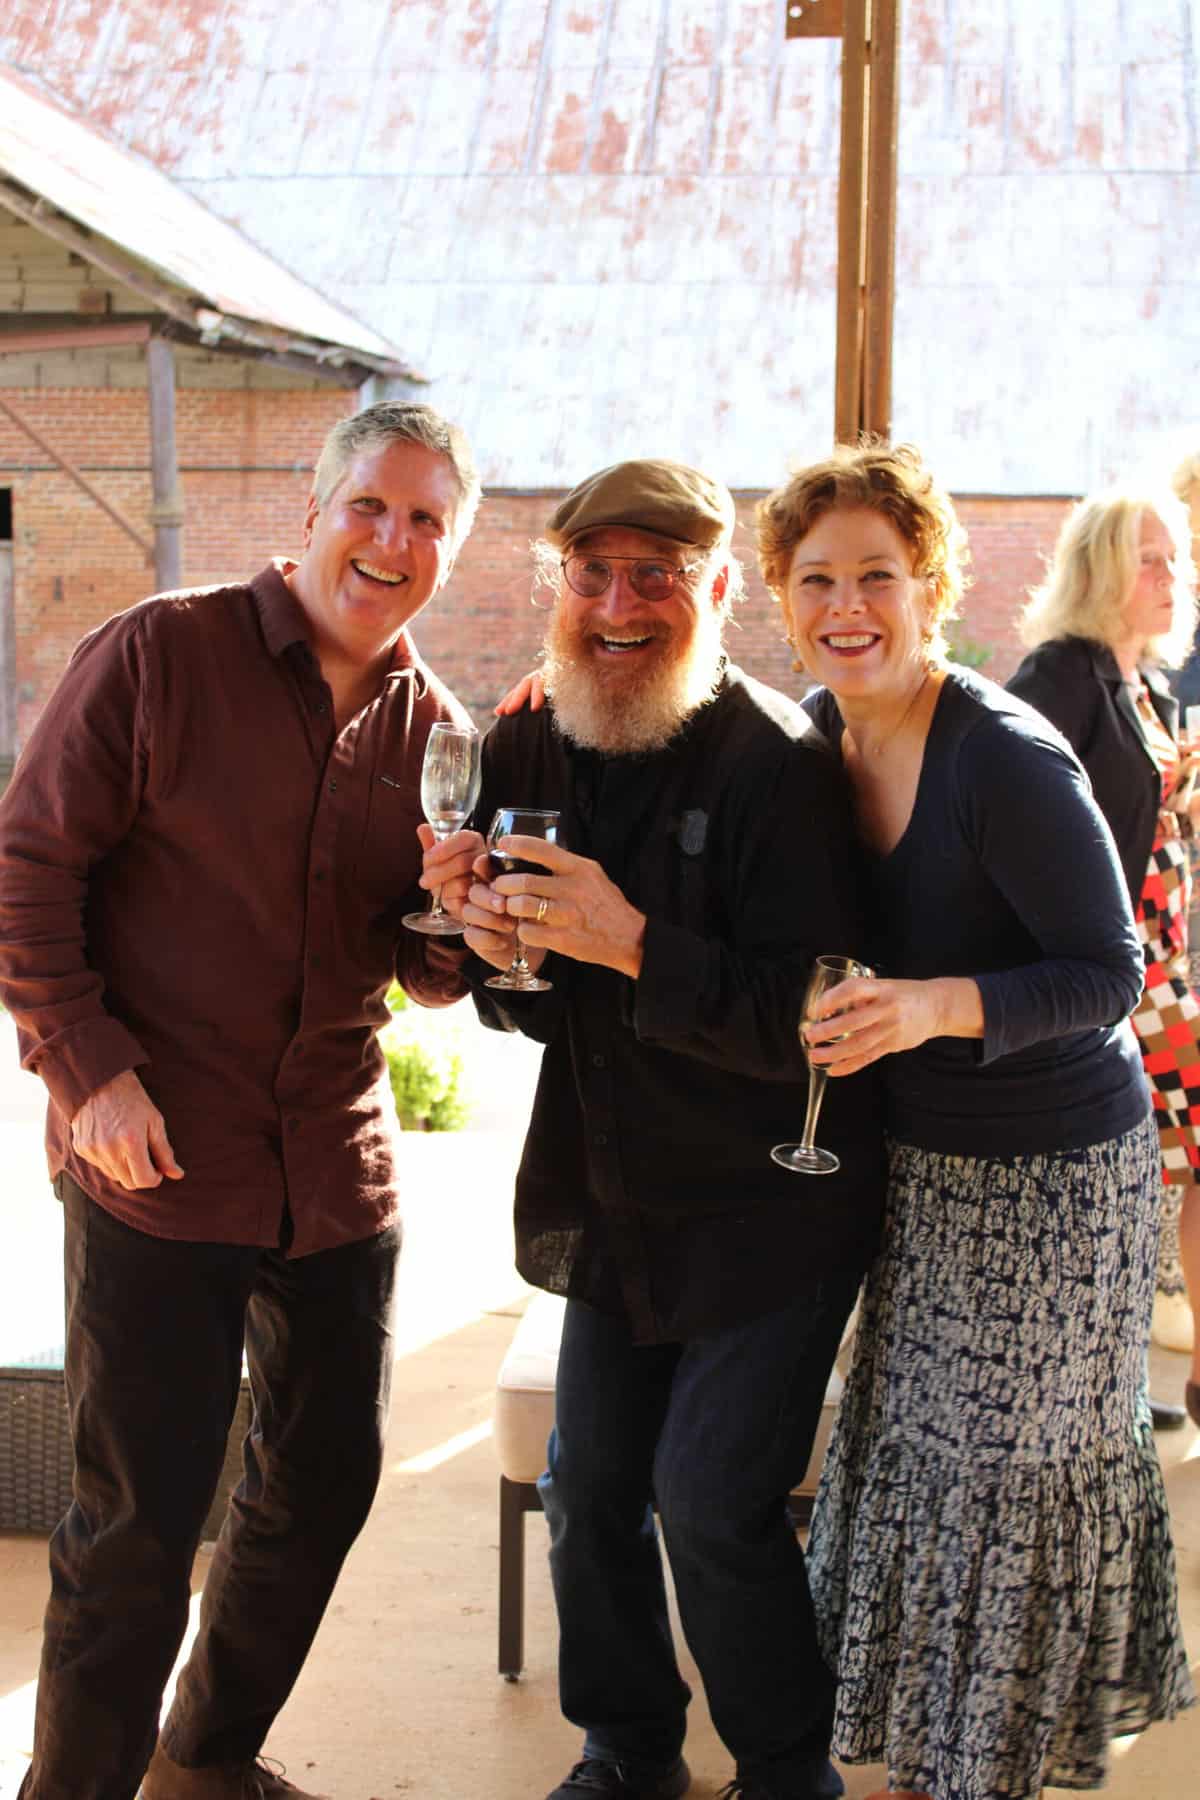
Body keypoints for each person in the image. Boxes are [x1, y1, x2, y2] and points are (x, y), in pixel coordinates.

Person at [0, 401, 480, 1800]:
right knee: (139, 1525)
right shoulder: (162, 653)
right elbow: (29, 867)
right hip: (155, 1154)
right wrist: (87, 1072)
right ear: (315, 505)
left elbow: (417, 962)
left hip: (334, 1164)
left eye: (427, 521)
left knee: (322, 1485)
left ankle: (203, 1762)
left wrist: (457, 927)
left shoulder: (434, 729)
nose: (393, 541)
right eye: (371, 507)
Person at [423, 458, 887, 1800]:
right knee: (585, 1490)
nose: (620, 606)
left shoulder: (775, 766)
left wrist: (631, 947)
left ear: (719, 589)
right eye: (594, 574)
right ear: (557, 582)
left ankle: (786, 1769)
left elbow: (819, 1019)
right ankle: (627, 1749)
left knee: (708, 1502)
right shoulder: (522, 743)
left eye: (658, 576)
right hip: (617, 1193)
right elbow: (526, 1011)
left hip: (776, 1202)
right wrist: (484, 941)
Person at [752, 442, 1193, 1800]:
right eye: (816, 577)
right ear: (780, 594)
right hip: (925, 1170)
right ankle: (918, 1765)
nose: (847, 604)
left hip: (1060, 1182)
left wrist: (935, 1006)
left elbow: (1110, 970)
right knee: (918, 1467)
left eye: (877, 575)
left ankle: (980, 1770)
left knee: (1003, 1488)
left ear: (932, 583)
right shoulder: (819, 735)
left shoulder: (999, 753)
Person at [1008, 483, 1200, 1428]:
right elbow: (1013, 812)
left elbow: (1145, 804)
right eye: (1150, 559)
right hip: (1117, 974)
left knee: (1145, 1173)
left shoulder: (1148, 678)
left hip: (1167, 956)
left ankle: (1119, 1382)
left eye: (1176, 557)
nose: (1174, 574)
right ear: (1099, 570)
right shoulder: (1062, 677)